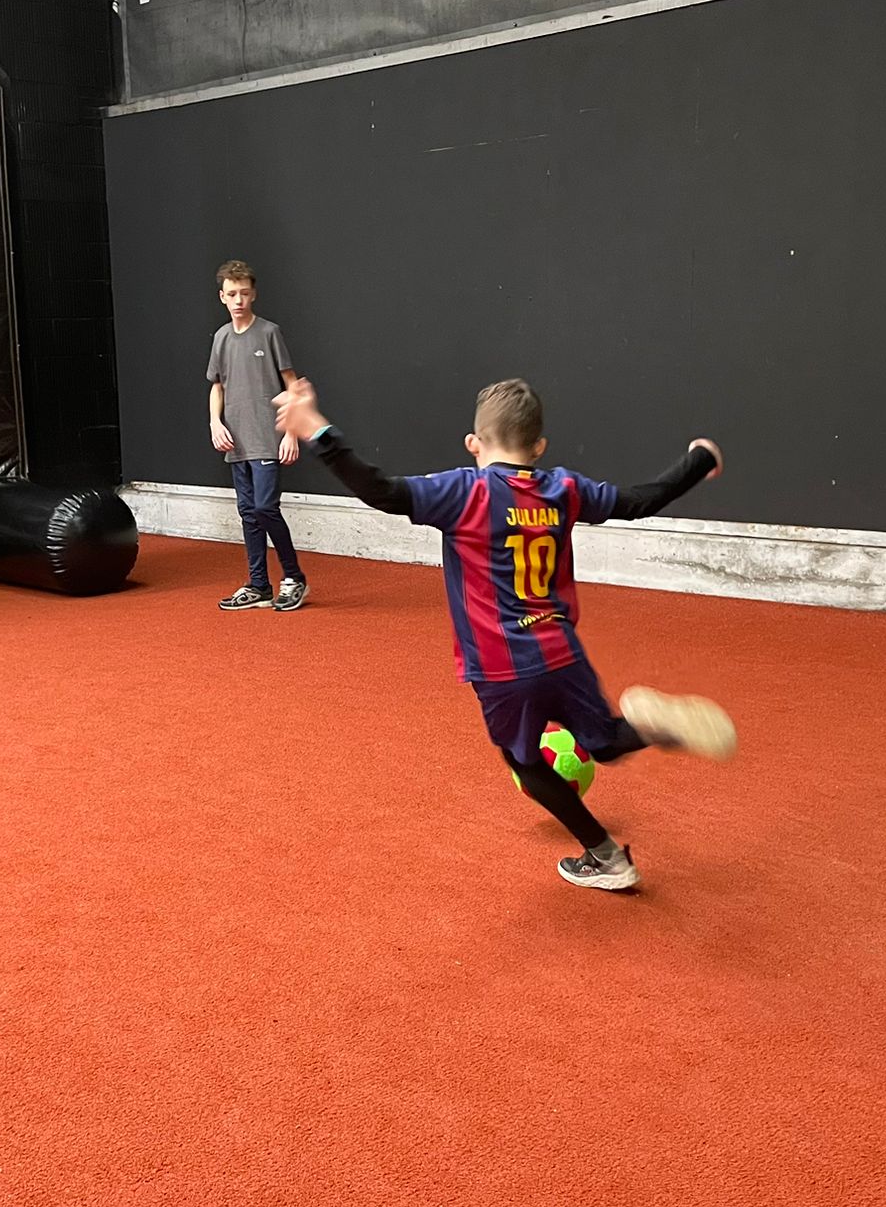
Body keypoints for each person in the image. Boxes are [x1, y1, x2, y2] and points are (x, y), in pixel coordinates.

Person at [274, 375, 735, 890]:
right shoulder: (563, 488)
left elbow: (381, 490)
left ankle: (607, 857)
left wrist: (315, 428)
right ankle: (651, 727)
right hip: (562, 650)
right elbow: (637, 501)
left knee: (524, 762)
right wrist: (698, 460)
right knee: (604, 742)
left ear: (473, 443)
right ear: (538, 447)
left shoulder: (465, 492)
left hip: (502, 667)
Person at [208, 260, 308, 612]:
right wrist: (215, 423)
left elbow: (293, 385)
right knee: (248, 513)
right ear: (222, 297)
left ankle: (294, 577)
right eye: (232, 294)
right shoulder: (221, 338)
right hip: (236, 442)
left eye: (245, 293)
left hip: (268, 438)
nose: (239, 300)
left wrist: (290, 433)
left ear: (253, 295)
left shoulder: (269, 333)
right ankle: (259, 585)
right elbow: (217, 386)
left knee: (265, 508)